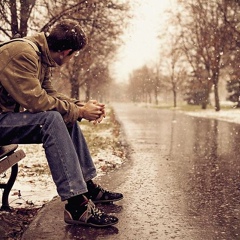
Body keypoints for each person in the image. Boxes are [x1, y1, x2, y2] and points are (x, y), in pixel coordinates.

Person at [0, 19, 123, 227]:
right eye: (73, 55)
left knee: (64, 117)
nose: (70, 59)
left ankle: (86, 185)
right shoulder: (24, 54)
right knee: (51, 118)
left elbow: (50, 94)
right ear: (66, 51)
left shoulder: (40, 56)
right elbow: (36, 102)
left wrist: (80, 107)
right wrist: (80, 111)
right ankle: (76, 205)